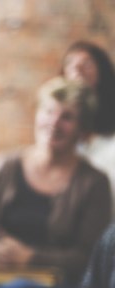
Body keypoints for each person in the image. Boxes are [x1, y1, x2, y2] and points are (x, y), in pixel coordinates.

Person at [0, 77, 111, 288]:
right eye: (48, 111)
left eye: (67, 116)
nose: (54, 122)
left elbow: (92, 259)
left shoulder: (94, 183)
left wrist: (31, 257)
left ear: (82, 129)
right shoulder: (5, 166)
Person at [61, 41, 115, 218]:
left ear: (101, 73)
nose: (77, 68)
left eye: (87, 63)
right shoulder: (57, 124)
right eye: (70, 63)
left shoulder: (109, 144)